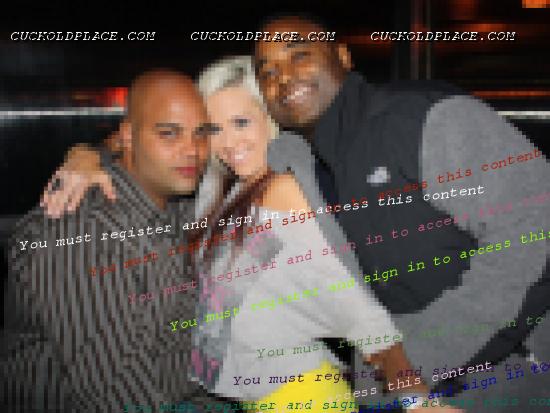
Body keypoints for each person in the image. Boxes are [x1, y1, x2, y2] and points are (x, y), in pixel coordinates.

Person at [255, 13, 550, 411]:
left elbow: (533, 230)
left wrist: (420, 359)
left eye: (299, 55)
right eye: (267, 72)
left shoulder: (422, 119)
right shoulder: (299, 169)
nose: (283, 77)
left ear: (343, 57)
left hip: (507, 378)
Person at [187, 56, 461, 413]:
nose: (228, 142)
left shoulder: (285, 191)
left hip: (303, 397)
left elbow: (352, 299)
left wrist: (416, 400)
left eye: (241, 122)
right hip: (262, 397)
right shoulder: (235, 190)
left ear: (270, 117)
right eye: (214, 128)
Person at [2, 69, 228, 412]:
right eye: (169, 133)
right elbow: (119, 395)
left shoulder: (177, 207)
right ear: (127, 137)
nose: (192, 150)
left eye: (201, 133)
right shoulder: (82, 233)